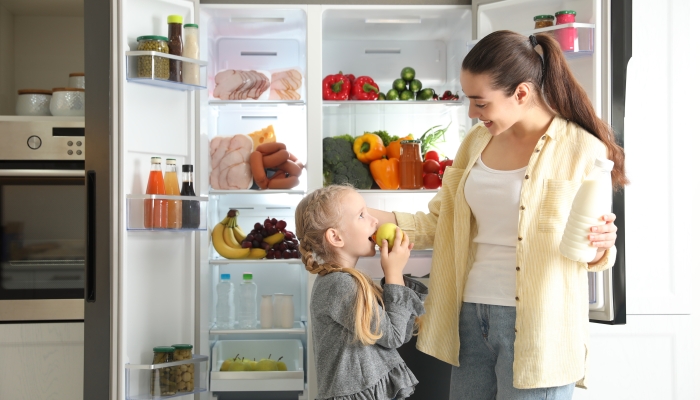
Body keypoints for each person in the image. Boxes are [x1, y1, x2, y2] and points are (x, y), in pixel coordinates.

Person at [370, 30, 627, 399]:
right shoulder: (475, 143)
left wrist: (603, 246)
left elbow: (597, 248)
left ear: (521, 93)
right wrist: (363, 215)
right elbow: (444, 222)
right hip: (469, 317)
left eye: (480, 102)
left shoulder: (581, 148)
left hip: (540, 326)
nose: (473, 113)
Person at [296, 185, 428, 400]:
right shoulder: (340, 285)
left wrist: (396, 275)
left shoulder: (345, 281)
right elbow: (393, 337)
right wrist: (394, 271)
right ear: (336, 237)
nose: (375, 221)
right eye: (361, 215)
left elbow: (399, 331)